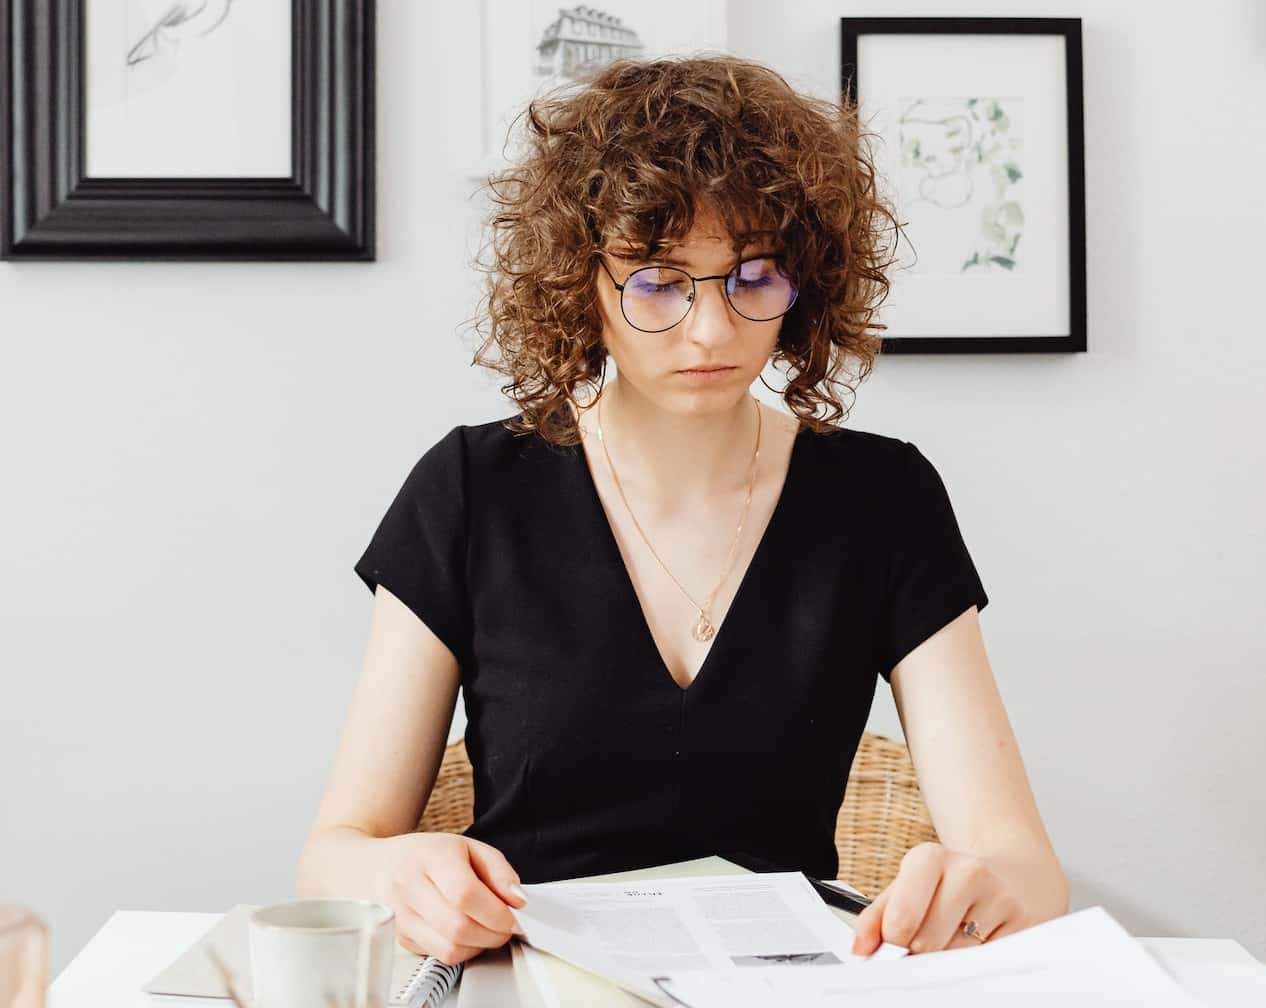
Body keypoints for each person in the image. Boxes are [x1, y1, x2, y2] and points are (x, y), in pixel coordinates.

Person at [296, 55, 1069, 966]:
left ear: (807, 281)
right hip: (532, 980)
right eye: (659, 281)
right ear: (579, 284)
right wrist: (398, 874)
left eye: (754, 275)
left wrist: (985, 888)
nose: (711, 330)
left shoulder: (883, 498)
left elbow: (1027, 868)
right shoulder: (472, 489)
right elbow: (333, 855)